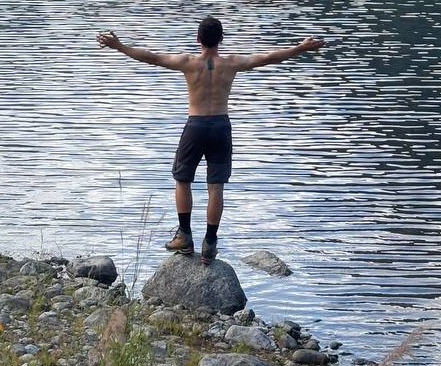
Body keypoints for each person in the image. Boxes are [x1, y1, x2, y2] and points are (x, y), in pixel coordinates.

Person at [96, 16, 325, 264]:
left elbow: (151, 56)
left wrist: (119, 46)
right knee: (216, 186)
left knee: (182, 180)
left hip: (196, 126)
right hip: (220, 126)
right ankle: (210, 243)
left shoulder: (187, 62)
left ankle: (184, 235)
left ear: (198, 39)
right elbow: (269, 57)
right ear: (221, 39)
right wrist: (300, 47)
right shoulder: (232, 63)